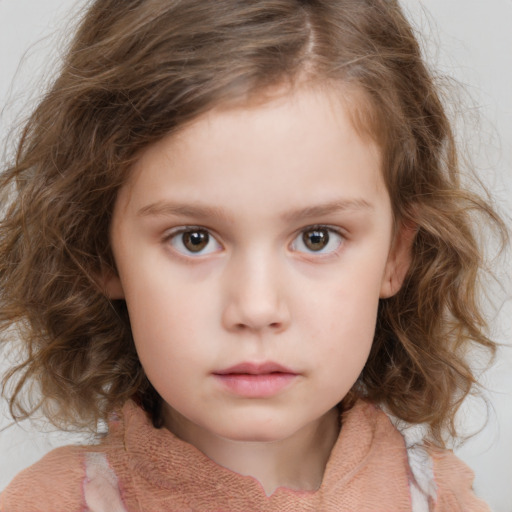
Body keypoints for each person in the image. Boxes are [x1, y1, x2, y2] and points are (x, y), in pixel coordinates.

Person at [0, 0, 507, 510]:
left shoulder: (441, 500)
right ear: (101, 252)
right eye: (194, 239)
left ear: (397, 253)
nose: (257, 307)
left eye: (317, 238)